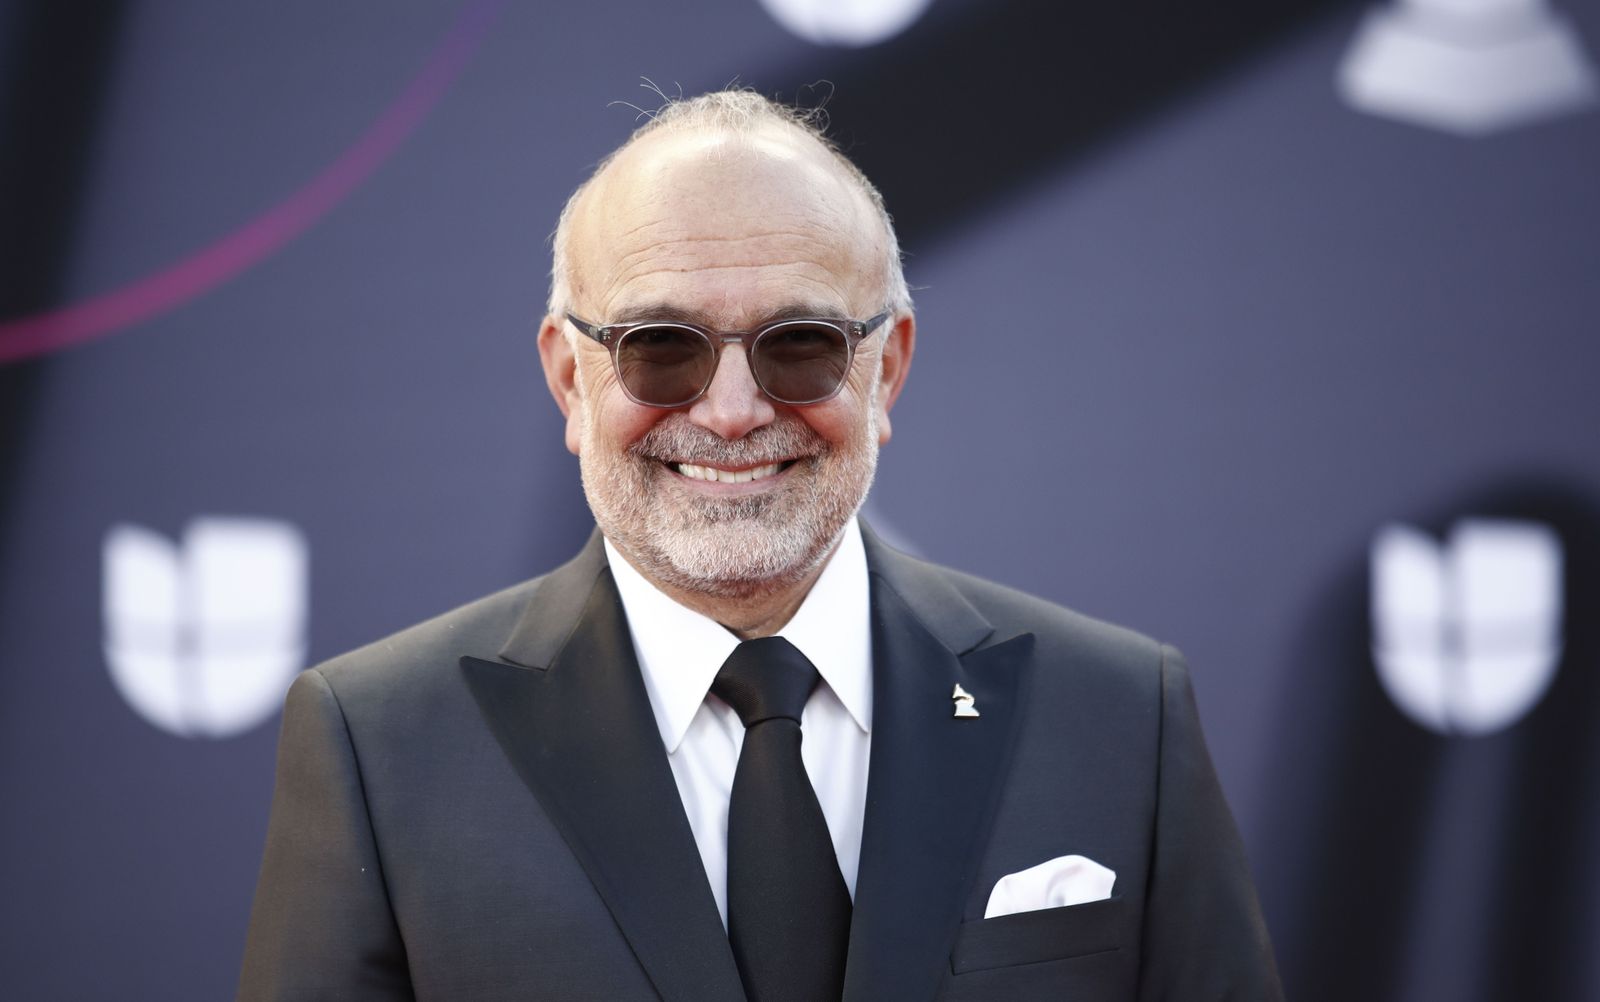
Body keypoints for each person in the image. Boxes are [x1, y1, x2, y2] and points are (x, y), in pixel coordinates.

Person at [239, 90, 1283, 1001]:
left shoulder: (1114, 712)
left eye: (799, 345)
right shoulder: (381, 745)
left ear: (888, 369)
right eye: (661, 348)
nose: (733, 411)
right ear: (570, 377)